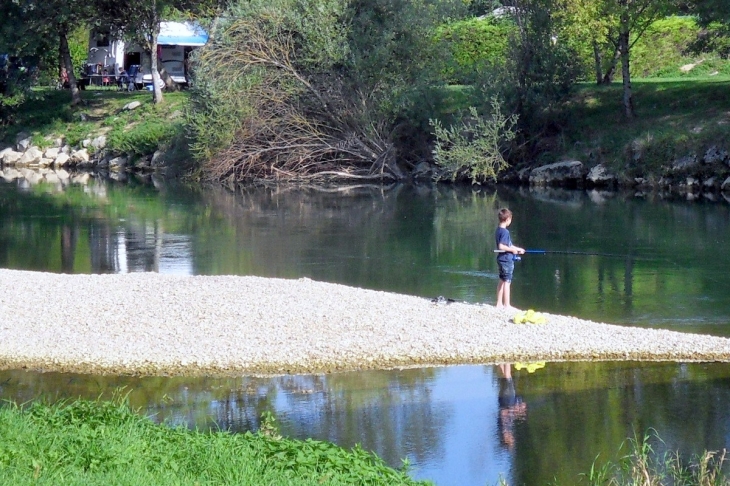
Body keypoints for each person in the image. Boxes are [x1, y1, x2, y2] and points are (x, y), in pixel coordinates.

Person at [495, 208, 524, 310]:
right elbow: (501, 246)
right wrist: (512, 251)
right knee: (507, 281)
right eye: (510, 219)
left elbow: (509, 245)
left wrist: (517, 249)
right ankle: (507, 305)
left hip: (501, 259)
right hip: (506, 259)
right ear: (507, 219)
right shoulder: (505, 232)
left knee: (502, 280)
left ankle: (499, 304)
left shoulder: (498, 230)